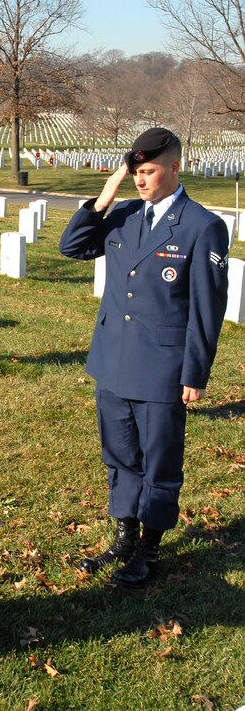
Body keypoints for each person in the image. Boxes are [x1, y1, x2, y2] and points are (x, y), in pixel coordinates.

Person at [59, 127, 229, 588]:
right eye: (135, 171)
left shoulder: (202, 226)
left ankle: (149, 550)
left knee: (159, 463)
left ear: (176, 167)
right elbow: (72, 247)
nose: (140, 179)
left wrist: (195, 372)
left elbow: (206, 309)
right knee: (119, 458)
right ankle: (124, 537)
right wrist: (105, 194)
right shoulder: (125, 214)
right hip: (113, 363)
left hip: (162, 369)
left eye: (149, 171)